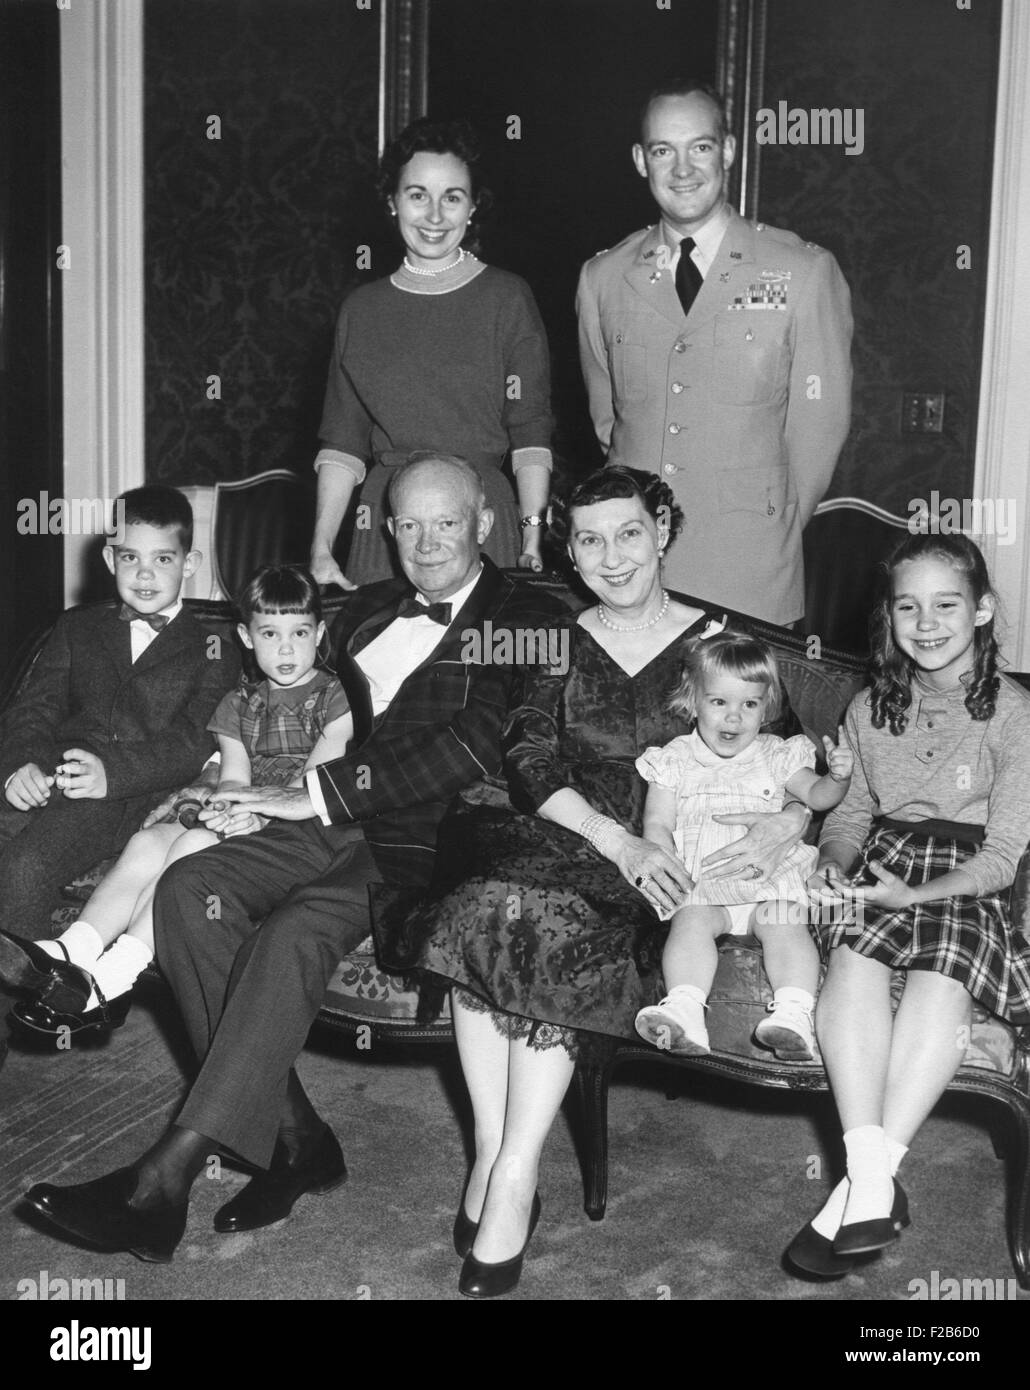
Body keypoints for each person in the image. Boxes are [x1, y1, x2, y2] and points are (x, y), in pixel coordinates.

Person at [21, 452, 565, 1264]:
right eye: (408, 523)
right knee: (184, 888)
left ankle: (163, 1180)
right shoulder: (366, 611)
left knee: (290, 934)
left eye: (446, 522)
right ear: (386, 529)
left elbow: (472, 743)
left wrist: (313, 795)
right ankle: (300, 1139)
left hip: (423, 842)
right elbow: (268, 669)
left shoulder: (521, 613)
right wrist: (212, 777)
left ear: (485, 524)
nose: (425, 541)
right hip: (316, 822)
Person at [385, 465, 812, 1298]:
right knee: (486, 903)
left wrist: (785, 824)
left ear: (663, 531)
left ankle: (513, 1173)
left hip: (666, 841)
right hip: (557, 820)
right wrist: (613, 841)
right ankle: (495, 1152)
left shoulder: (718, 642)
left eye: (628, 533)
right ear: (569, 552)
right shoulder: (552, 633)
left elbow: (796, 763)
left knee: (550, 924)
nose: (611, 557)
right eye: (589, 539)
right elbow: (527, 756)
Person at [785, 533, 1030, 1280]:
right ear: (888, 617)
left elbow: (1001, 858)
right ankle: (873, 1180)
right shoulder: (869, 706)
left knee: (940, 976)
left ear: (983, 609)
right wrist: (832, 863)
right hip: (885, 862)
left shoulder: (1015, 715)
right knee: (853, 966)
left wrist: (915, 894)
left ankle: (859, 1189)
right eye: (908, 607)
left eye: (947, 604)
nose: (926, 623)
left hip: (963, 877)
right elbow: (853, 815)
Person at [3, 564, 349, 1044]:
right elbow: (234, 772)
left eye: (299, 632)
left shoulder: (336, 697)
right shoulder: (237, 702)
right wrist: (231, 805)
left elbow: (315, 781)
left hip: (297, 818)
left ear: (321, 633)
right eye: (270, 633)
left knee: (191, 851)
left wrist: (255, 811)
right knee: (149, 842)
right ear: (246, 638)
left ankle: (115, 976)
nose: (285, 648)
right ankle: (71, 953)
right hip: (238, 805)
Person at [575, 81, 853, 626]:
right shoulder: (603, 277)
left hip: (746, 568)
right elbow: (609, 419)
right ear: (640, 160)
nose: (682, 169)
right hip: (632, 569)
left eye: (699, 147)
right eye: (663, 151)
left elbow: (819, 431)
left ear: (727, 151)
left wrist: (768, 523)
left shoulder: (800, 270)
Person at [0, 486, 240, 1023]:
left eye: (163, 559)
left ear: (190, 564)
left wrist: (112, 773)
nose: (145, 574)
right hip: (54, 777)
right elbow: (31, 711)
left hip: (129, 796)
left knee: (25, 866)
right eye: (130, 557)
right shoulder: (77, 626)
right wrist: (20, 766)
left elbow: (196, 740)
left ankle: (36, 999)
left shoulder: (215, 647)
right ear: (110, 559)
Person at [310, 117, 552, 589]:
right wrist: (320, 548)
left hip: (482, 516)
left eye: (453, 197)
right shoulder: (362, 309)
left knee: (483, 659)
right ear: (392, 202)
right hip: (388, 524)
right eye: (418, 195)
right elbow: (343, 443)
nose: (435, 216)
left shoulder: (507, 297)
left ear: (473, 206)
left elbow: (530, 431)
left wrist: (531, 541)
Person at [633, 629, 854, 1061]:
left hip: (768, 882)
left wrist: (838, 777)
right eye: (719, 702)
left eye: (749, 704)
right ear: (693, 701)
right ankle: (685, 1007)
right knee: (691, 923)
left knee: (784, 923)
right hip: (706, 884)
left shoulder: (777, 754)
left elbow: (818, 798)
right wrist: (668, 867)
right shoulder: (674, 759)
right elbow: (656, 824)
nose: (734, 718)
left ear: (766, 707)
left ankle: (794, 1014)